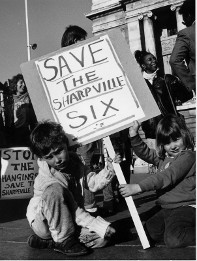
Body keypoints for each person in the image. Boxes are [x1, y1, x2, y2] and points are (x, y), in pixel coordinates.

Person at [26, 120, 121, 256]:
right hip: (44, 224)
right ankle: (62, 241)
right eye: (49, 157)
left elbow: (93, 183)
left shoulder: (77, 162)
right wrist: (97, 225)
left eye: (59, 151)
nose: (57, 160)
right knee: (55, 190)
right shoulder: (46, 178)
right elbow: (74, 209)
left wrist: (109, 169)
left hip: (68, 220)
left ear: (66, 144)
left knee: (104, 238)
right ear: (42, 158)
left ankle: (49, 241)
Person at [61, 25, 118, 216]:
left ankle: (110, 200)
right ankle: (90, 205)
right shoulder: (64, 69)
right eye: (80, 40)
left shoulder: (92, 61)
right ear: (72, 42)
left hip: (100, 118)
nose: (84, 43)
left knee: (105, 160)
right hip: (81, 126)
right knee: (85, 165)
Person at [119, 114, 196, 248]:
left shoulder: (188, 156)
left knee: (174, 239)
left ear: (185, 135)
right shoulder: (164, 158)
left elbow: (167, 176)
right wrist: (134, 135)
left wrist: (139, 187)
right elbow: (145, 152)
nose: (172, 146)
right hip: (166, 207)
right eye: (167, 143)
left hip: (185, 206)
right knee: (149, 233)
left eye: (176, 139)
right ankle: (172, 231)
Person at [134, 50, 191, 140]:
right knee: (155, 154)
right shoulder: (138, 85)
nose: (154, 61)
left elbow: (187, 95)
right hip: (152, 132)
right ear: (143, 66)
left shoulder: (166, 79)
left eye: (154, 58)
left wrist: (178, 84)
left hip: (171, 128)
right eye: (149, 59)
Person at [170, 0, 196, 95]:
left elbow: (174, 60)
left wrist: (192, 84)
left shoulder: (186, 33)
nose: (183, 21)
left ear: (189, 15)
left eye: (184, 17)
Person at [6, 73, 37, 146]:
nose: (24, 85)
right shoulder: (9, 99)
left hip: (27, 132)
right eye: (21, 82)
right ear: (15, 84)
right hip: (13, 132)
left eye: (25, 83)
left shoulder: (30, 98)